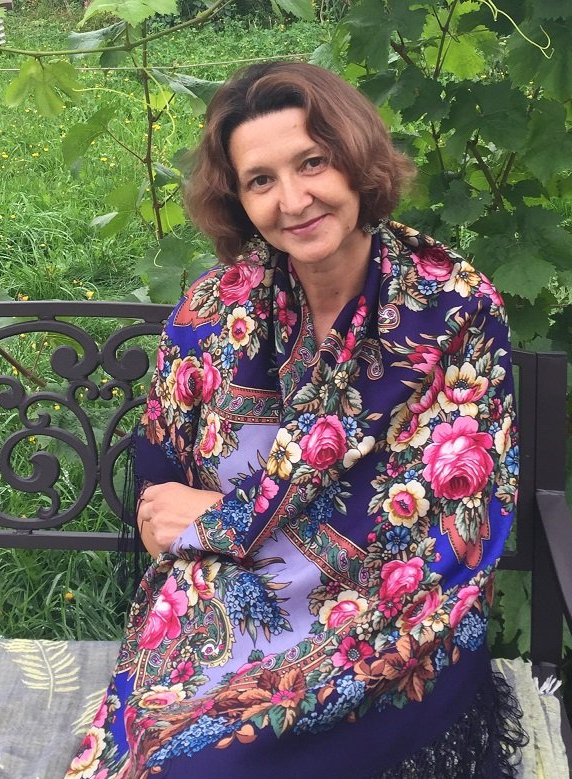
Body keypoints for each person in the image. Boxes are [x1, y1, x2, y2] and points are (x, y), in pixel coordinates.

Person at [65, 61, 526, 779]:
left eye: (312, 162)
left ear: (354, 158)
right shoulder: (217, 309)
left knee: (214, 761)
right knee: (157, 746)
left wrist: (219, 520)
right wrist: (202, 530)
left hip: (392, 608)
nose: (293, 200)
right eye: (261, 180)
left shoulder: (451, 310)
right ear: (237, 198)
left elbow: (443, 522)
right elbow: (162, 489)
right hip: (237, 583)